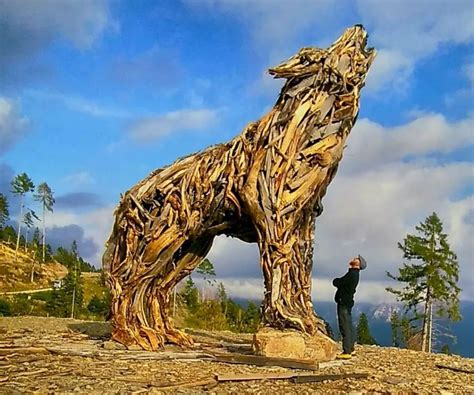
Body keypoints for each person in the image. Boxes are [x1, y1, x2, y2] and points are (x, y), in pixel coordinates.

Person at [332, 255, 367, 359]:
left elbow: (338, 282)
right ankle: (350, 348)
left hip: (343, 302)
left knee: (344, 326)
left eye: (356, 259)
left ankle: (346, 351)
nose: (354, 258)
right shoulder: (354, 274)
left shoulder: (352, 274)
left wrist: (336, 281)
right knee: (348, 324)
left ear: (358, 264)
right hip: (347, 302)